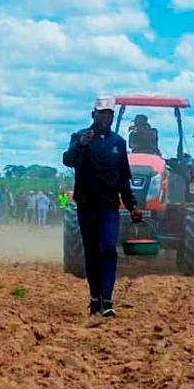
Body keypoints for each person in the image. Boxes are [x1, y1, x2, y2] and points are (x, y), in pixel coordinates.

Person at [62, 95, 143, 317]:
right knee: (91, 252)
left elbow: (123, 178)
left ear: (112, 117)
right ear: (93, 115)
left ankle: (107, 300)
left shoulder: (118, 143)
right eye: (101, 114)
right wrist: (81, 145)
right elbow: (68, 160)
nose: (104, 118)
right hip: (86, 204)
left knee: (108, 249)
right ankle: (95, 297)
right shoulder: (79, 137)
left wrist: (132, 205)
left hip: (109, 205)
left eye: (108, 114)